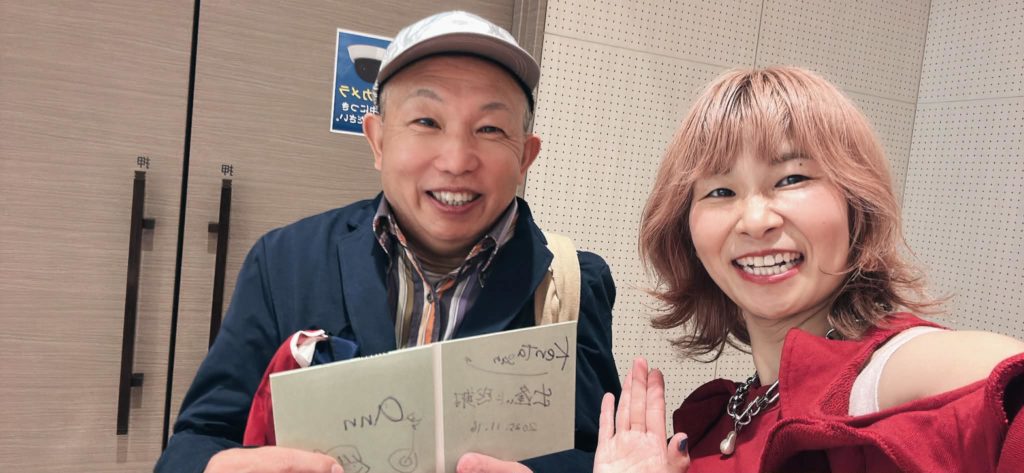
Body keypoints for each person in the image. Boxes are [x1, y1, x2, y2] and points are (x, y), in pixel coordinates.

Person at [155, 11, 620, 473]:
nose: (456, 160)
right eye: (426, 121)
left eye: (490, 129)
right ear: (377, 140)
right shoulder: (285, 262)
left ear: (525, 157)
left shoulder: (573, 283)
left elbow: (602, 454)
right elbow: (194, 443)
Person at [593, 66, 1024, 472]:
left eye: (791, 179)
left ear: (856, 203)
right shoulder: (726, 418)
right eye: (721, 191)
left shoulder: (893, 381)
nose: (755, 221)